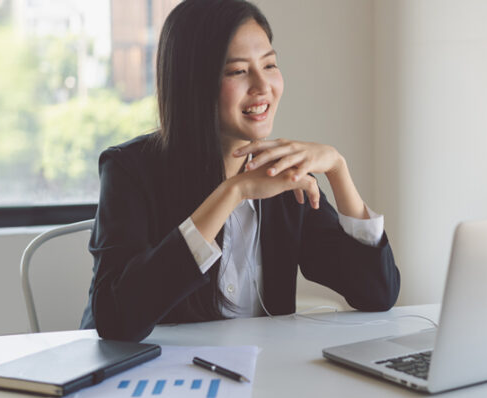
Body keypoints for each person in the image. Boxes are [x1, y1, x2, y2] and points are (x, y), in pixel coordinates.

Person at [80, 0, 399, 342]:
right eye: (238, 71)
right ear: (194, 82)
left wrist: (338, 168)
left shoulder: (283, 175)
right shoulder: (129, 171)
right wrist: (234, 192)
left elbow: (376, 293)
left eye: (270, 65)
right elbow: (116, 321)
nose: (263, 86)